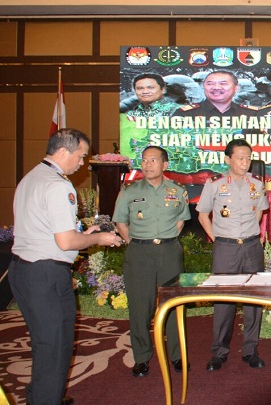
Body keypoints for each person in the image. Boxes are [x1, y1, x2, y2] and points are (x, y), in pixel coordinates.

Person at [9, 128, 123, 405]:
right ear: (63, 152)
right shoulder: (59, 185)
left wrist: (86, 231)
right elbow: (66, 241)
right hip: (46, 274)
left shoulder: (32, 177)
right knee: (55, 347)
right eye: (81, 156)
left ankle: (41, 398)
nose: (82, 163)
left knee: (44, 344)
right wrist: (101, 238)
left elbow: (50, 228)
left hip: (25, 270)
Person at [113, 146, 191, 378]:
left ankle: (177, 356)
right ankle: (142, 358)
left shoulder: (178, 191)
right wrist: (136, 243)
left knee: (173, 304)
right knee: (140, 307)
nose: (147, 164)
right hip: (139, 253)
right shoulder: (129, 191)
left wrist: (163, 240)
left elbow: (180, 221)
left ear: (165, 165)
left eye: (153, 160)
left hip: (169, 252)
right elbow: (121, 223)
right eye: (145, 160)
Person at [197, 139, 269, 371]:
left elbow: (259, 211)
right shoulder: (215, 183)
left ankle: (250, 350)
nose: (245, 162)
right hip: (225, 248)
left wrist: (247, 234)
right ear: (228, 159)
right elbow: (202, 215)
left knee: (253, 300)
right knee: (224, 300)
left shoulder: (256, 184)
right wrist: (217, 238)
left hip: (251, 247)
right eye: (240, 157)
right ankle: (219, 352)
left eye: (248, 157)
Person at [172, 70, 259, 120]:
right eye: (210, 84)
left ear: (236, 88)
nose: (216, 87)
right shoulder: (185, 114)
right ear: (203, 87)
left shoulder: (251, 114)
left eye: (223, 84)